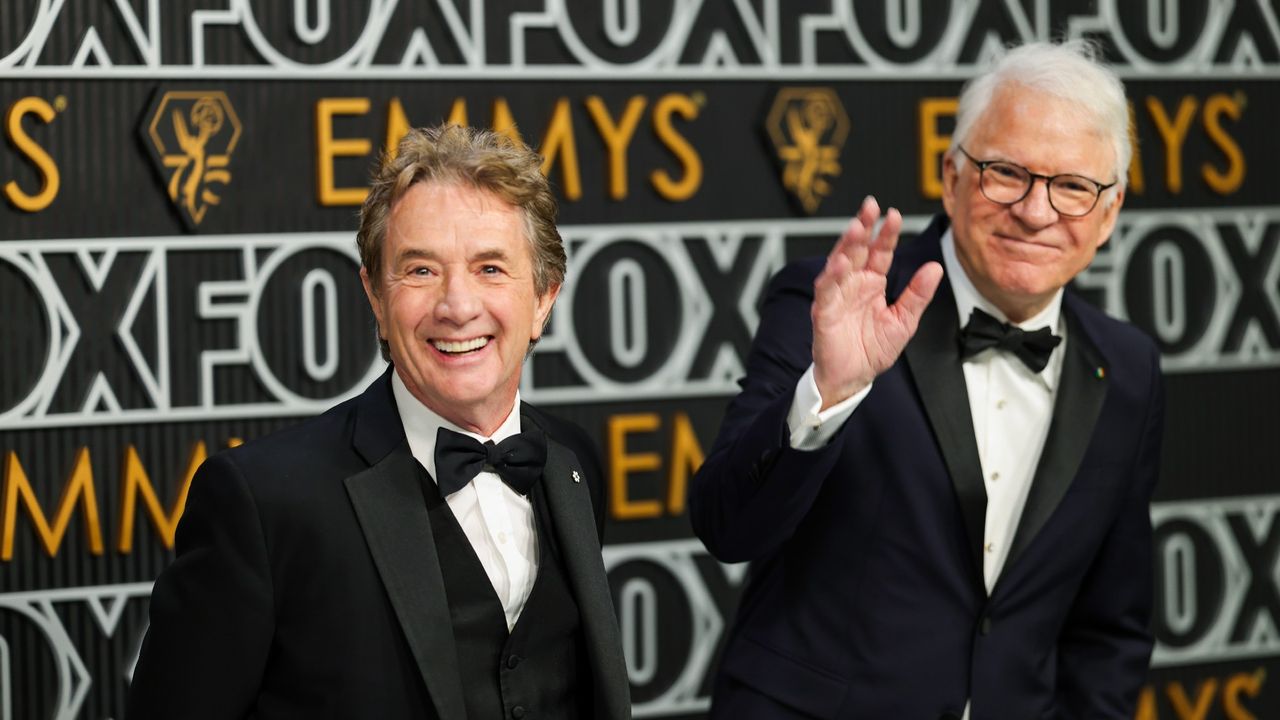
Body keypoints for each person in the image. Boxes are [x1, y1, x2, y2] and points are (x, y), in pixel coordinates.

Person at [690, 40, 1162, 719]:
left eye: (1073, 187)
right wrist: (827, 394)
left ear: (1109, 212)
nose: (1035, 211)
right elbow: (726, 528)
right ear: (952, 175)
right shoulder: (835, 302)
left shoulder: (1131, 368)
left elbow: (1111, 626)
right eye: (1006, 172)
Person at [128, 124, 632, 720]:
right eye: (420, 270)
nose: (457, 306)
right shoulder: (263, 502)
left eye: (490, 268)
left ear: (544, 298)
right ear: (375, 297)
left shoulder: (571, 462)